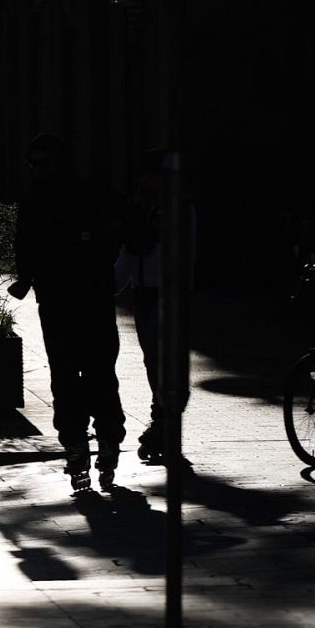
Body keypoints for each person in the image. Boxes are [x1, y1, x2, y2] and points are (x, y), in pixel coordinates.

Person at [7, 134, 125, 494]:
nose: (39, 170)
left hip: (87, 299)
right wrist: (25, 278)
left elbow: (111, 235)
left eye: (44, 163)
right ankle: (81, 446)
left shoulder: (84, 195)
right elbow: (25, 244)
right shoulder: (36, 200)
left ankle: (101, 443)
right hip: (62, 301)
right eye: (35, 163)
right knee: (71, 374)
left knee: (96, 372)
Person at [113, 149, 195, 465]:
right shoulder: (140, 212)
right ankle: (161, 417)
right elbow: (127, 257)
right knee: (152, 361)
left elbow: (186, 256)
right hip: (144, 295)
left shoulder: (180, 212)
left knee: (168, 362)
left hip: (171, 297)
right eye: (141, 178)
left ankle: (166, 421)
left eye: (150, 177)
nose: (144, 183)